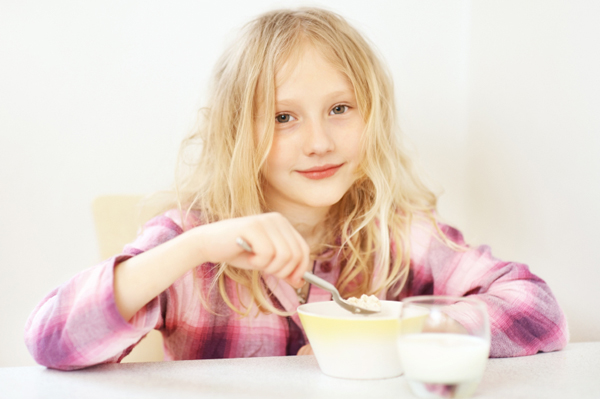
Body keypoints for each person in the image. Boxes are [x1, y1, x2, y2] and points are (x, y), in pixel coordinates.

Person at [24, 7, 568, 371]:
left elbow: (539, 312)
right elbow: (49, 341)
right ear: (238, 131)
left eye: (339, 109)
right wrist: (193, 248)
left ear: (371, 117)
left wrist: (391, 331)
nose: (319, 142)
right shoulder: (192, 243)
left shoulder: (395, 232)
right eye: (284, 117)